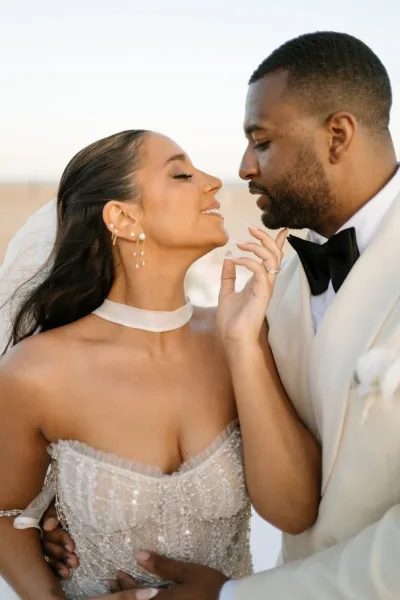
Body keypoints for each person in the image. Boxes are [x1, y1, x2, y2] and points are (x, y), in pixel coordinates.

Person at [49, 30, 400, 600]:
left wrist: (233, 597)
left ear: (338, 136)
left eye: (261, 142)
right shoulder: (278, 283)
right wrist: (74, 509)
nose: (241, 168)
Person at [0, 130, 320, 599]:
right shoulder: (35, 372)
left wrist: (242, 346)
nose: (214, 182)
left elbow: (294, 511)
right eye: (182, 174)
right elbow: (6, 515)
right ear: (123, 218)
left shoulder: (242, 338)